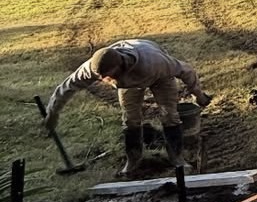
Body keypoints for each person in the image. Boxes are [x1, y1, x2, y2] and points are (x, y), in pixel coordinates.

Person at [44, 40, 213, 177]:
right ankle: (133, 160)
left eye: (108, 77)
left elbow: (187, 71)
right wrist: (53, 114)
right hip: (129, 84)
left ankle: (177, 158)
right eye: (102, 78)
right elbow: (65, 88)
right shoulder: (92, 69)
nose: (105, 80)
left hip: (159, 77)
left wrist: (199, 95)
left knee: (169, 115)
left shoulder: (155, 62)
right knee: (130, 119)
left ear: (120, 67)